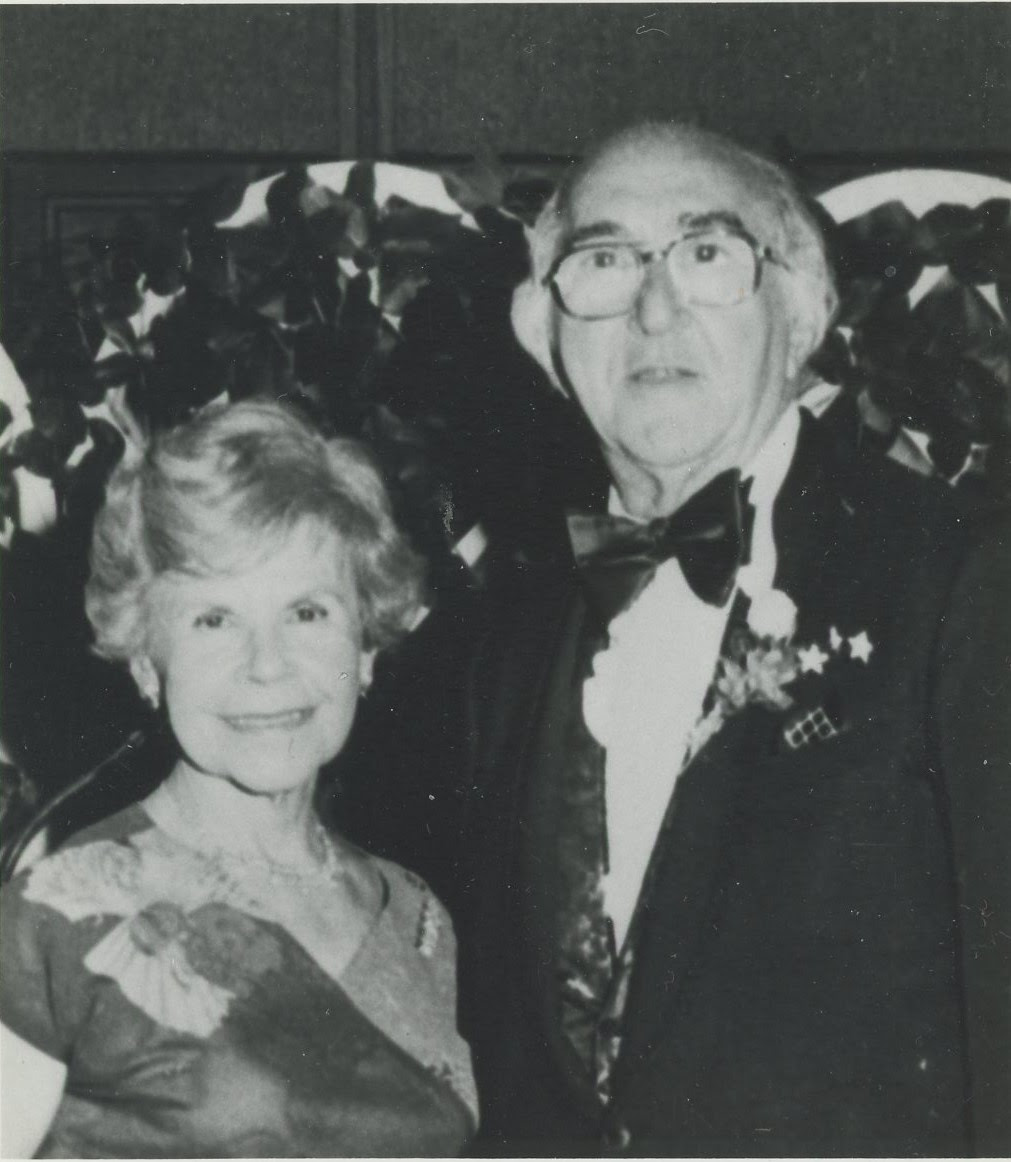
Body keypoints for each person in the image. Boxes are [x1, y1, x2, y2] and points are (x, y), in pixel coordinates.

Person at [351, 122, 1011, 1156]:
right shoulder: (492, 649)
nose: (654, 311)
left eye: (707, 255)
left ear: (801, 311)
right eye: (605, 263)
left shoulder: (965, 580)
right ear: (547, 341)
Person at [0, 399, 477, 1157]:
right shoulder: (55, 914)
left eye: (309, 613)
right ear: (146, 662)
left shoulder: (421, 921)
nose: (268, 665)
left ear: (366, 649)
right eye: (213, 620)